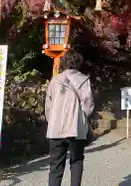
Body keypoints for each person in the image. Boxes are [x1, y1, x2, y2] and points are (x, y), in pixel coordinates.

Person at [45, 51, 94, 186]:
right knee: (77, 161)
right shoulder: (84, 80)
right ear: (78, 63)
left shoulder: (55, 80)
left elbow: (48, 106)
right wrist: (82, 118)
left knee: (55, 166)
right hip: (76, 128)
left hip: (56, 128)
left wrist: (53, 120)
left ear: (64, 63)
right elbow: (88, 105)